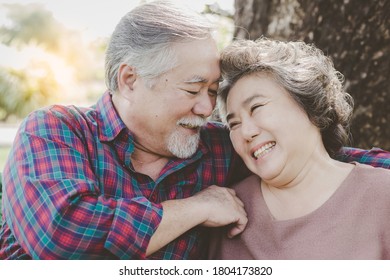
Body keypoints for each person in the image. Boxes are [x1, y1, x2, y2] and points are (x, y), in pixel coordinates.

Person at [0, 1, 387, 260]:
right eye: (192, 89)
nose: (207, 109)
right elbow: (61, 234)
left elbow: (310, 153)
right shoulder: (54, 131)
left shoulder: (218, 145)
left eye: (212, 92)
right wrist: (197, 207)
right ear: (131, 79)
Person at [208, 37, 390, 260]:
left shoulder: (382, 194)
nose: (245, 132)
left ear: (309, 104)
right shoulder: (224, 210)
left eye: (256, 108)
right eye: (233, 124)